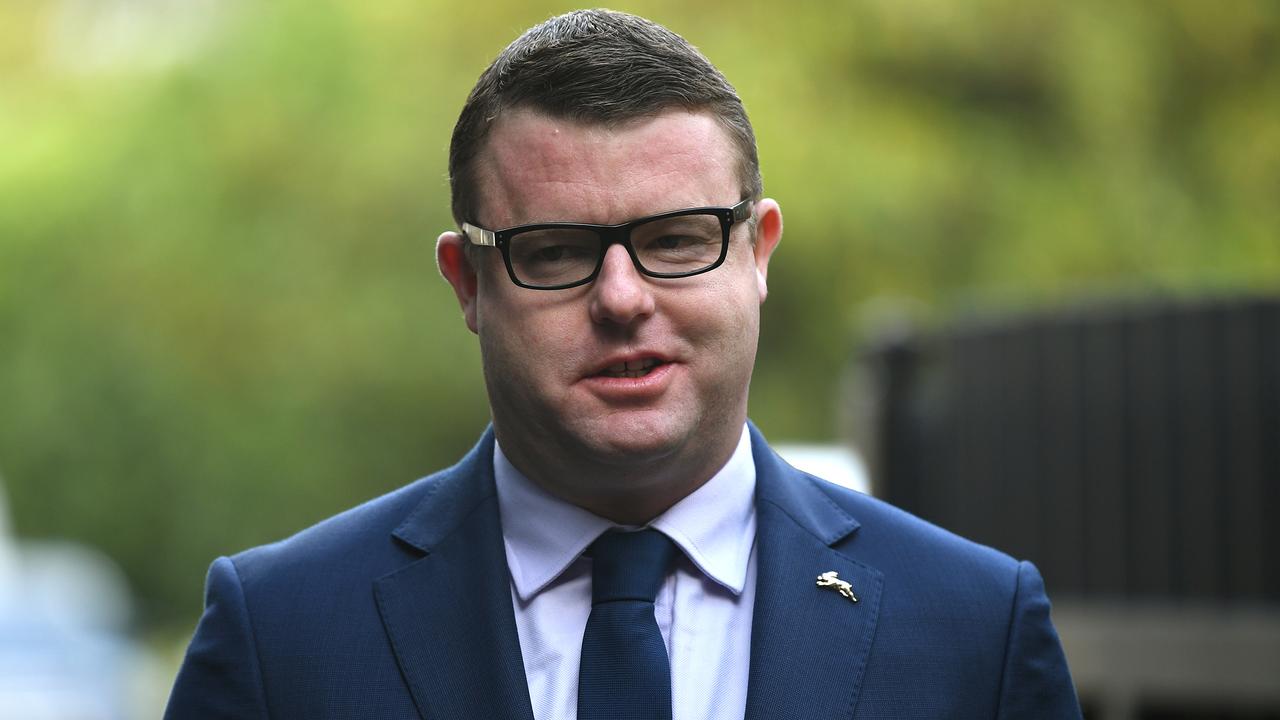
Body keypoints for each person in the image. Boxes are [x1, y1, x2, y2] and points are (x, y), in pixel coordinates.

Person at [165, 9, 1081, 719]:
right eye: (556, 251)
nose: (622, 298)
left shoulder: (974, 629)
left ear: (757, 253)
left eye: (677, 240)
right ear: (468, 283)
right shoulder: (282, 637)